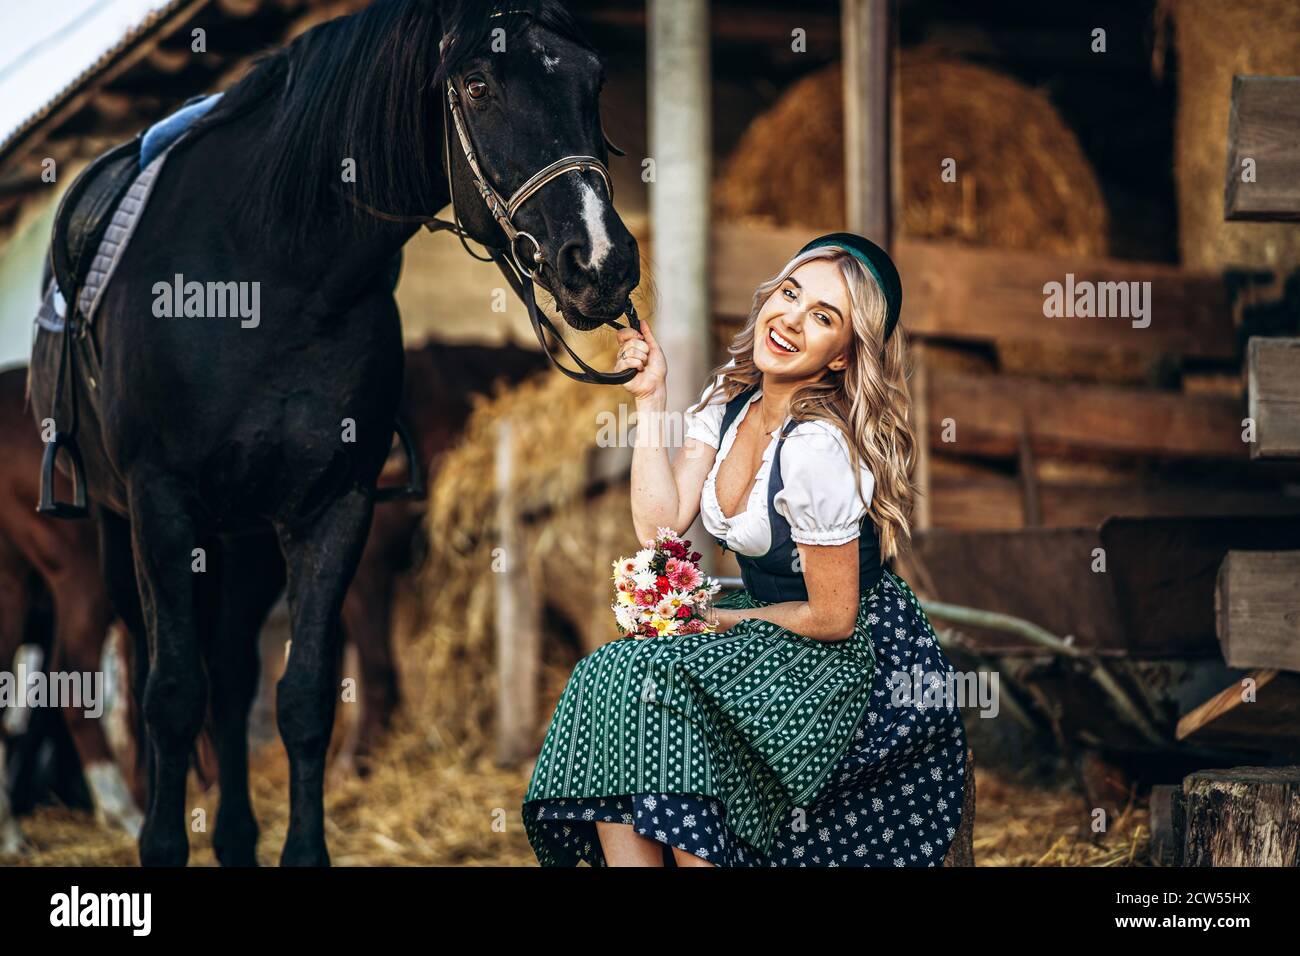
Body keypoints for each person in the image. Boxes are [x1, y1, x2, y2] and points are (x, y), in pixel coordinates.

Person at [522, 233, 967, 866]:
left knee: (660, 683)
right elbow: (659, 528)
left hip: (850, 659)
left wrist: (722, 620)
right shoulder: (731, 404)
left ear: (842, 357)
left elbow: (834, 617)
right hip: (772, 633)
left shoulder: (816, 448)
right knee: (606, 673)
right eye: (790, 293)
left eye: (822, 317)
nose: (790, 318)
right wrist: (650, 398)